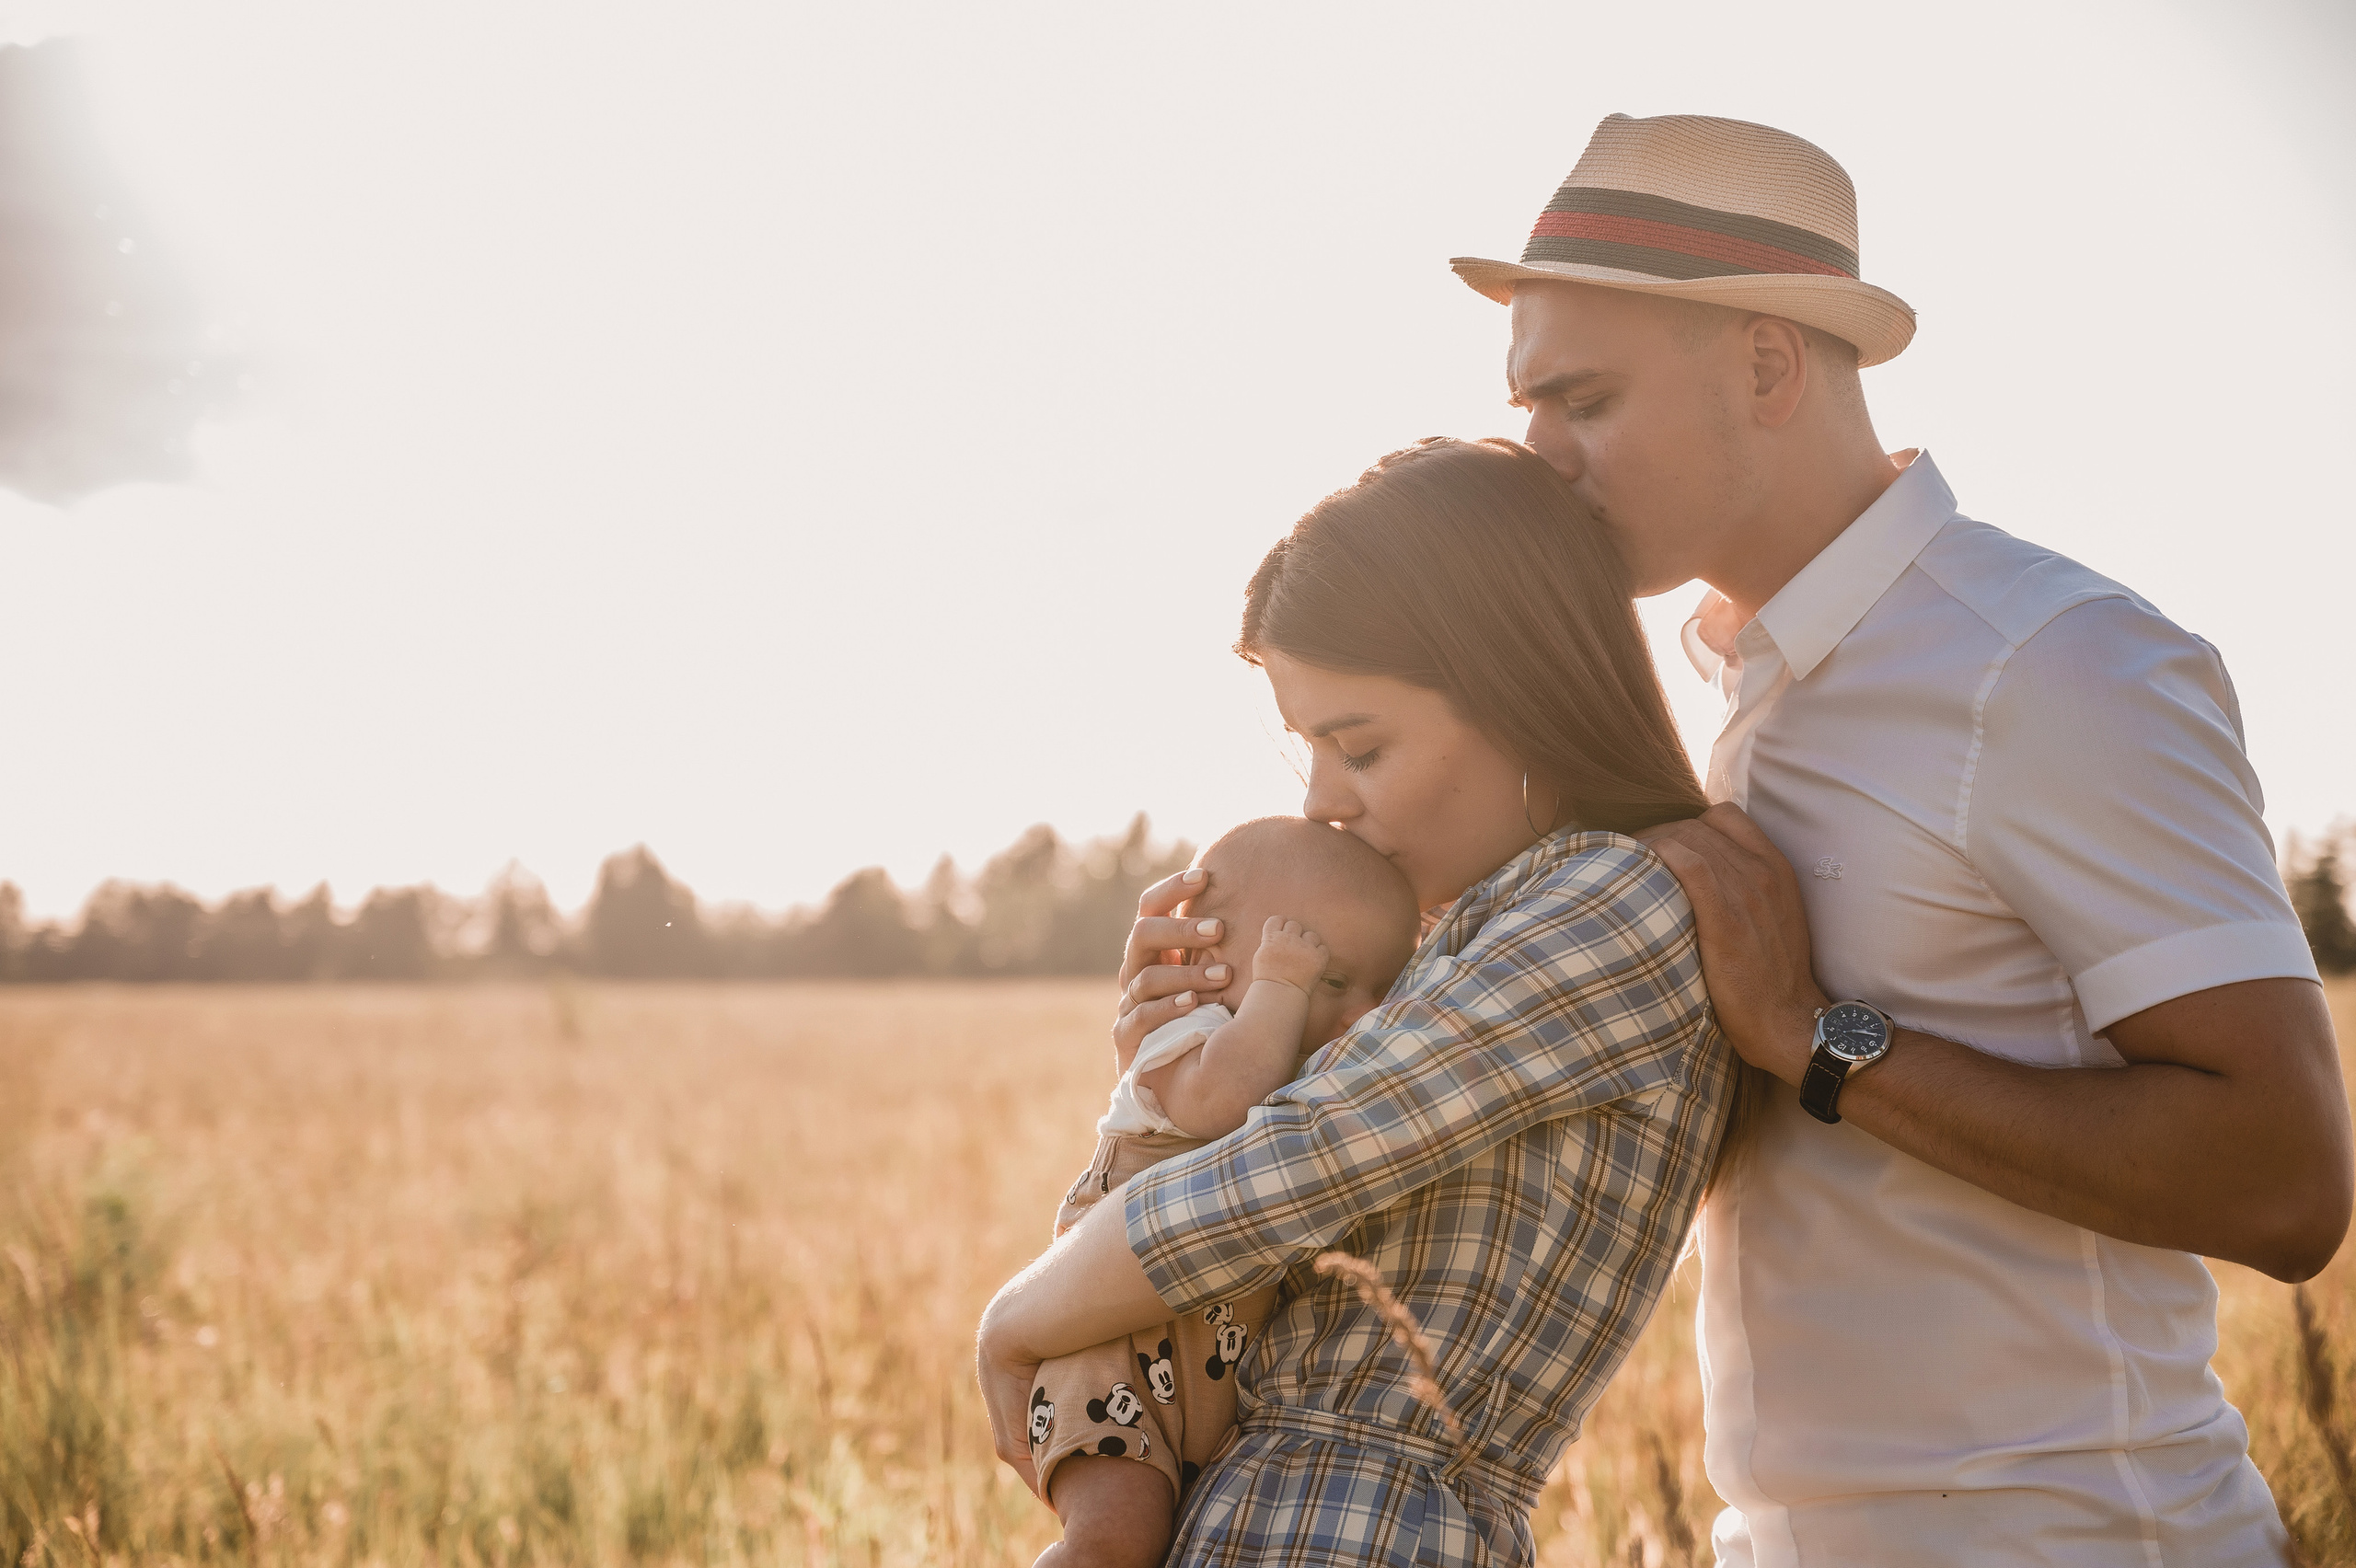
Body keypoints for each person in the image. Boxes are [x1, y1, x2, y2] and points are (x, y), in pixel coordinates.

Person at [1447, 111, 2351, 1563]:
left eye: (1586, 400)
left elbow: (2288, 1180)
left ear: (1765, 366)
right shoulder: (1723, 691)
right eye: (1526, 403)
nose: (1535, 452)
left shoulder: (2051, 665)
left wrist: (1816, 1037)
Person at [977, 436, 1743, 1564]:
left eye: (1362, 747)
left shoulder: (1610, 906)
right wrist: (1180, 1059)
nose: (1327, 801)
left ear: (1519, 692)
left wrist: (1018, 1321)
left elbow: (1293, 1165)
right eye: (1310, 755)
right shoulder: (1475, 941)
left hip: (1361, 1527)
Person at [1027, 816, 1421, 1567]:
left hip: (1202, 1386)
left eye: (1382, 988)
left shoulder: (1298, 1060)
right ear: (1205, 959)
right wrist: (1281, 987)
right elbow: (1223, 1102)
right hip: (1116, 1363)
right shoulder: (1184, 1037)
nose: (1361, 1014)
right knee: (1114, 1544)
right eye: (1332, 979)